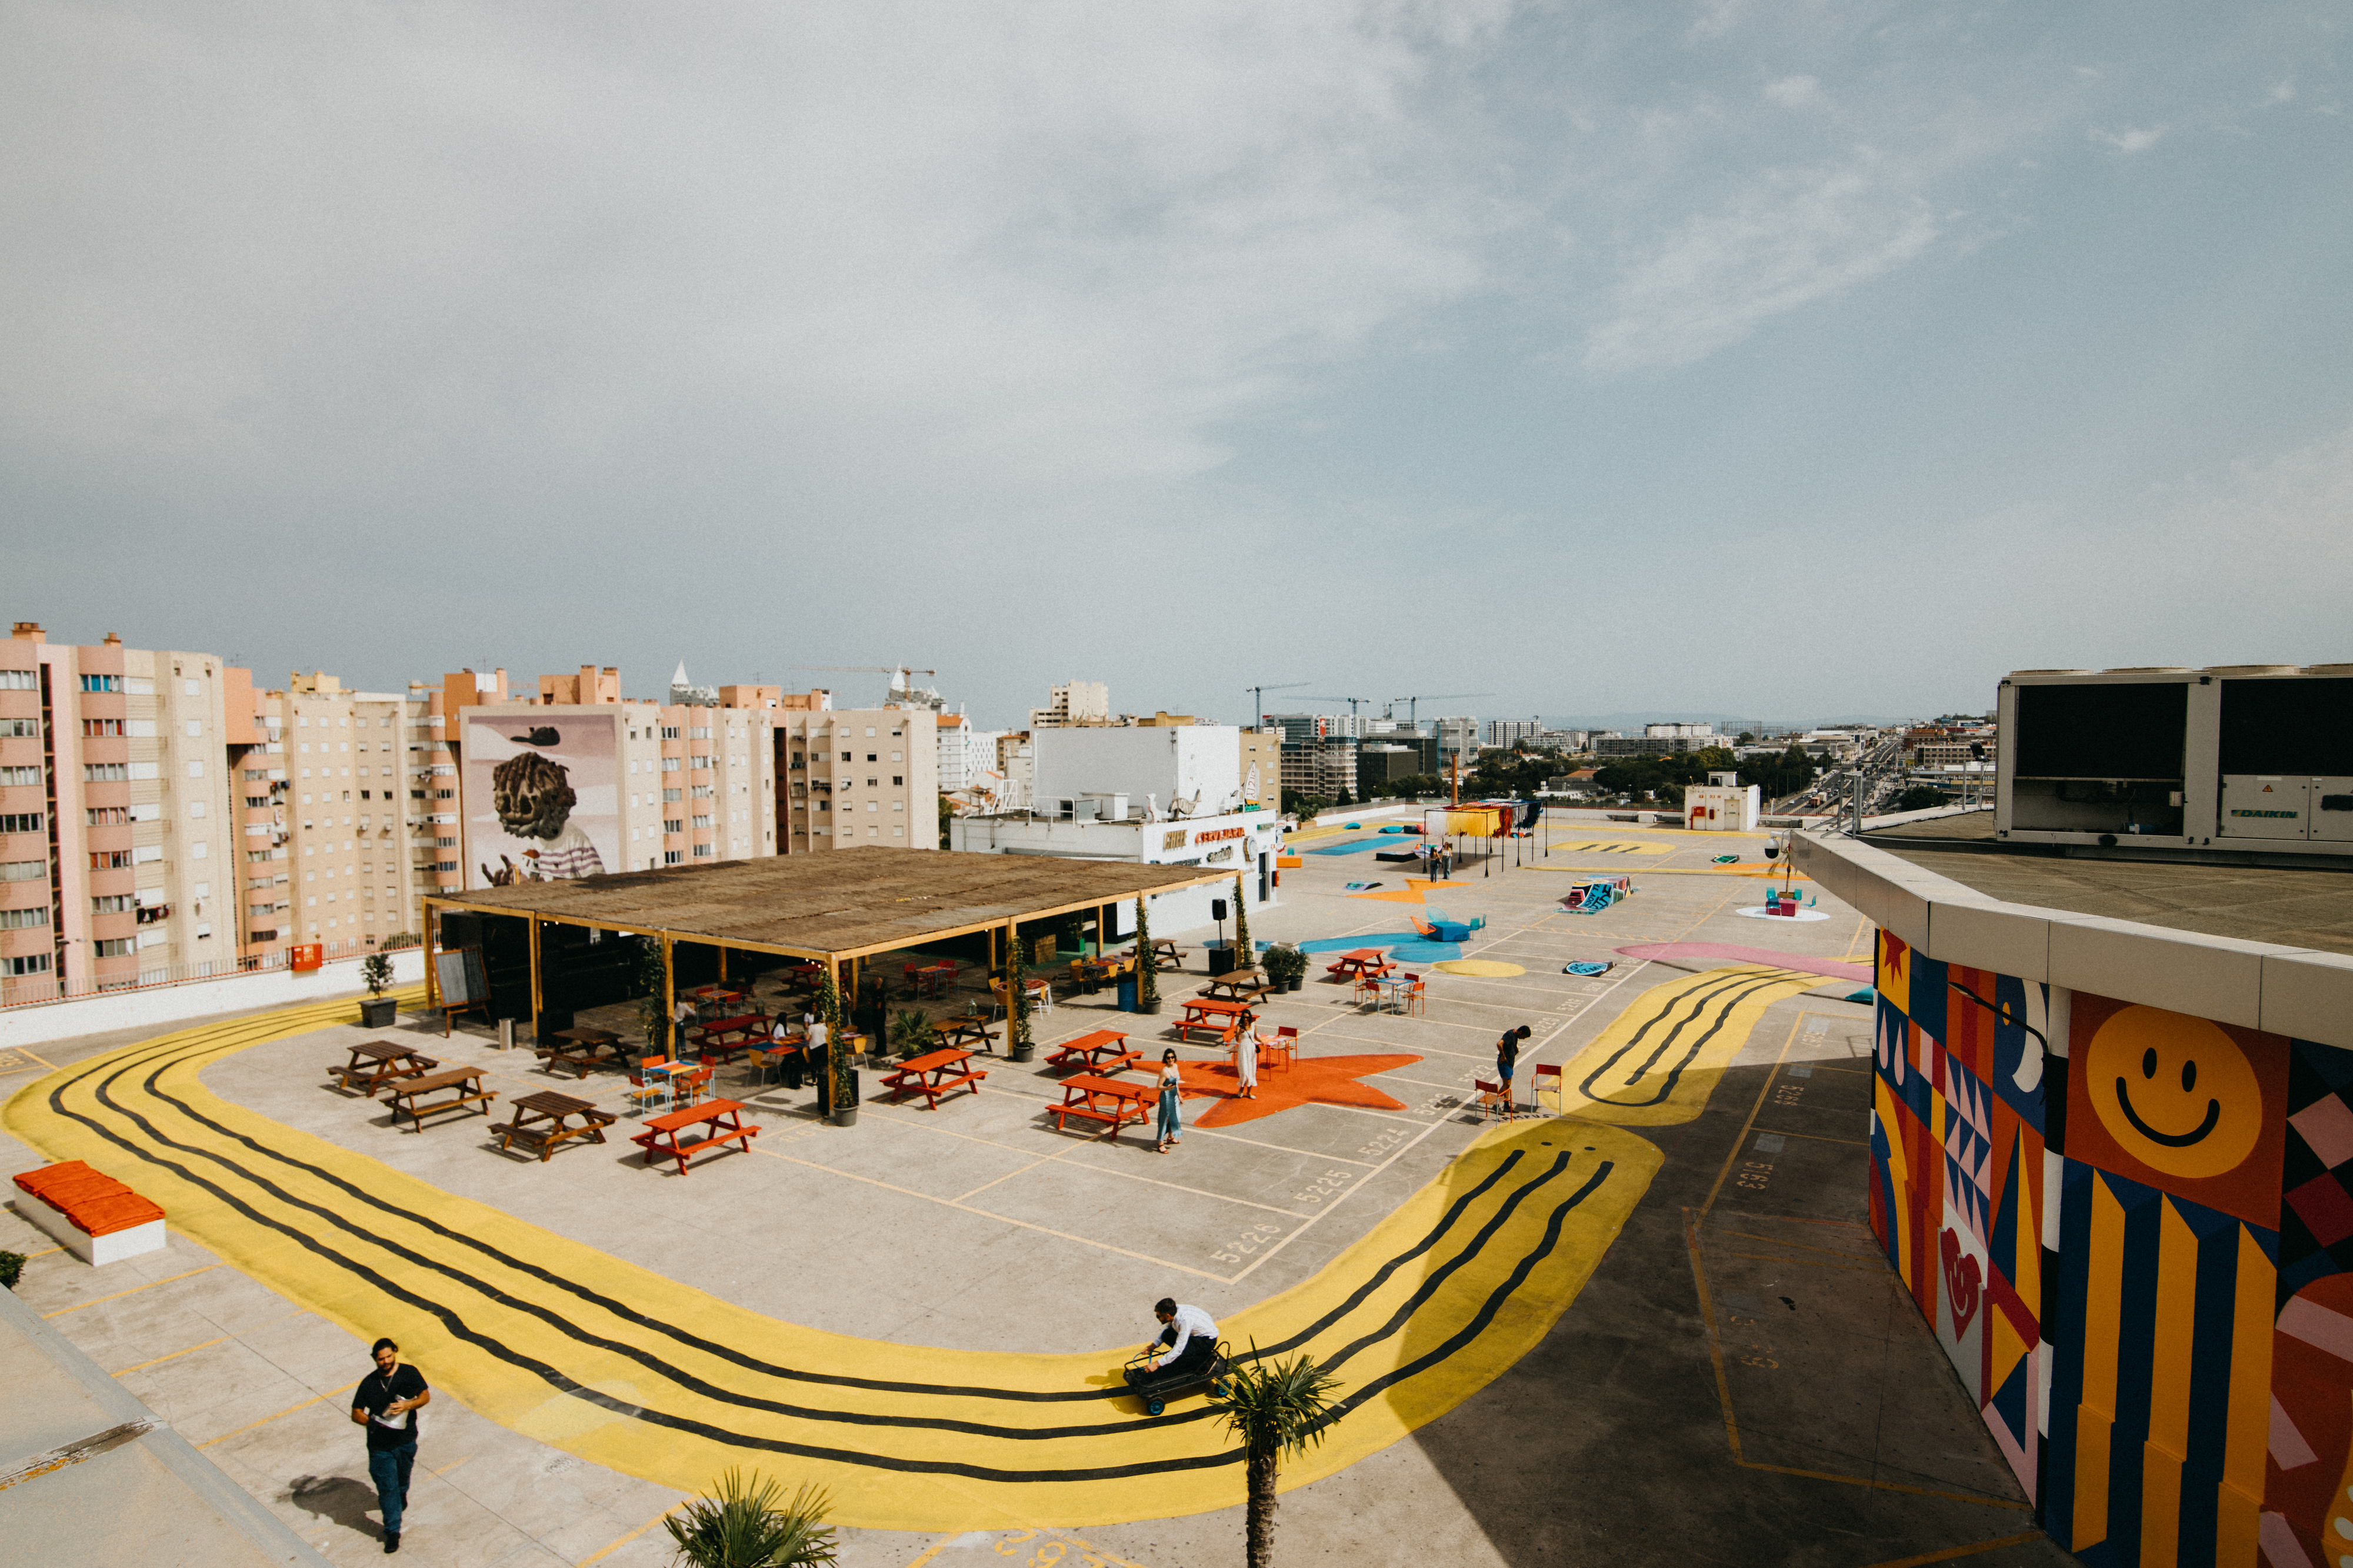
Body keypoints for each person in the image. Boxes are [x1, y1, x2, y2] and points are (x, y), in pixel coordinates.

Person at [352, 1337, 430, 1554]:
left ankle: (402, 1494)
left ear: (394, 1352)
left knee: (402, 1479)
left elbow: (425, 1396)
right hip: (380, 1446)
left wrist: (408, 1405)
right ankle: (393, 1531)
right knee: (387, 1488)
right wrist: (372, 1423)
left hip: (406, 1440)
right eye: (381, 1359)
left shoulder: (409, 1373)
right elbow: (356, 1412)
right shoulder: (369, 1383)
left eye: (389, 1357)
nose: (386, 1361)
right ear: (374, 1359)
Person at [1128, 1297, 1219, 1392]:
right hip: (1195, 1335)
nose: (1158, 1318)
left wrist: (1157, 1364)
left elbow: (1179, 1349)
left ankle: (1206, 1359)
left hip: (1206, 1341)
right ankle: (1193, 1357)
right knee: (1167, 1335)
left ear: (1167, 1316)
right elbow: (1168, 1329)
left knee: (1179, 1359)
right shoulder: (1175, 1311)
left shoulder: (1184, 1321)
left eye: (1159, 1316)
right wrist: (1153, 1345)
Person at [1154, 1049, 1184, 1152]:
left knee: (1177, 1118)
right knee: (1164, 1120)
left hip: (1174, 1097)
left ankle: (1171, 1137)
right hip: (1166, 1098)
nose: (1171, 1059)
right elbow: (1159, 1086)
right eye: (1168, 1058)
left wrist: (1179, 1096)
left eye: (1172, 1057)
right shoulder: (1164, 1071)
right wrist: (1166, 1088)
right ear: (1165, 1059)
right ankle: (1160, 1143)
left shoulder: (1175, 1066)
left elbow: (1176, 1083)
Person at [1497, 1024, 1531, 1110]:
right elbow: (1499, 1044)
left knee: (1507, 1085)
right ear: (1521, 1032)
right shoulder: (1510, 1035)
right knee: (1507, 1084)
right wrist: (1503, 1056)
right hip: (1505, 1063)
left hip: (1510, 1063)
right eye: (1523, 1037)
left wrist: (1515, 1048)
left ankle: (1506, 1106)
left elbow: (1512, 1044)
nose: (1523, 1039)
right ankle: (1496, 1104)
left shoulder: (1516, 1035)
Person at [1234, 1030, 1261, 1100]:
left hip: (1251, 1048)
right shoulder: (1240, 1026)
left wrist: (1261, 1042)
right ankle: (1241, 1090)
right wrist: (1239, 1033)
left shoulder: (1253, 1026)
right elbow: (1237, 1039)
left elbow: (1255, 1037)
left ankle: (1249, 1092)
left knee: (1251, 1071)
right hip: (1243, 1049)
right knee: (1244, 1072)